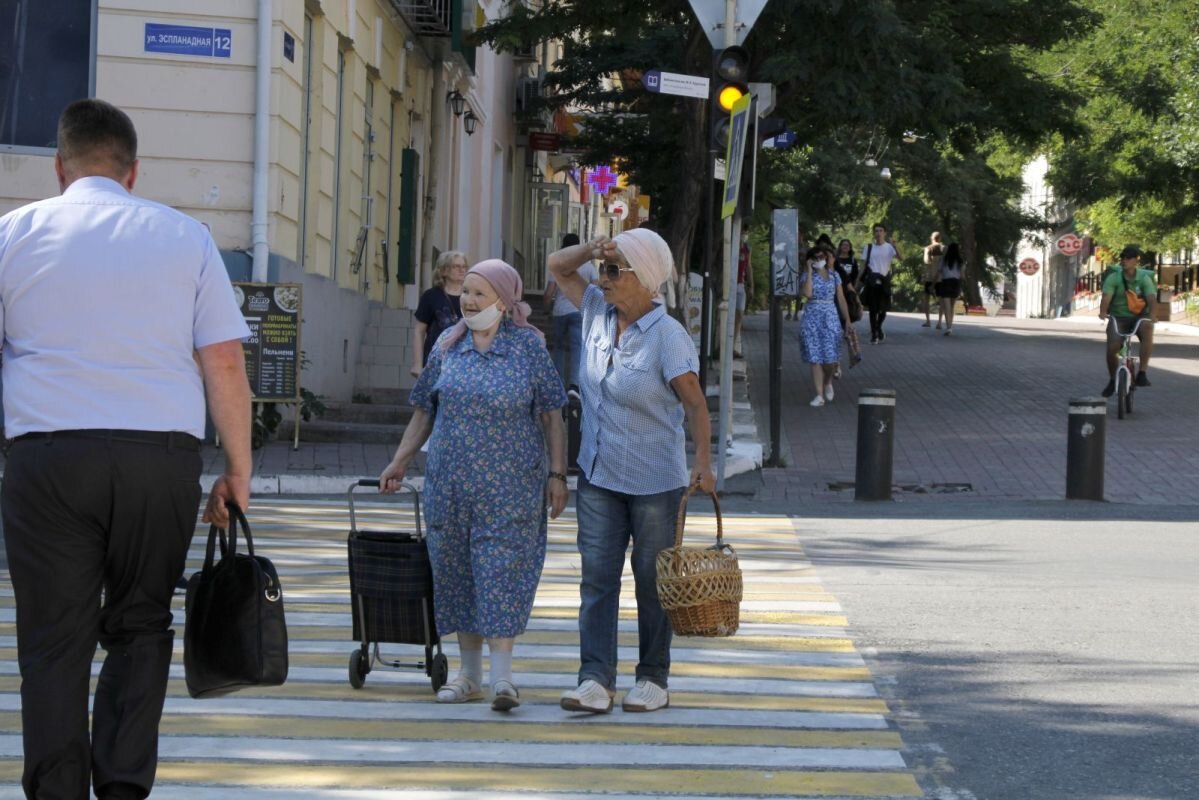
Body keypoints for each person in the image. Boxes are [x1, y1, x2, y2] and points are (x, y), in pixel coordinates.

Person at [0, 98, 252, 800]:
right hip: (157, 461)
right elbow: (224, 362)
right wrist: (237, 468)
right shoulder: (186, 236)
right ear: (133, 172)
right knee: (140, 626)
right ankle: (120, 788)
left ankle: (55, 793)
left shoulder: (12, 233)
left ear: (60, 166)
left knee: (52, 643)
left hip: (46, 459)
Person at [379, 259, 568, 713]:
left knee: (501, 574)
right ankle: (468, 677)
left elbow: (552, 416)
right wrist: (399, 462)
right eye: (465, 291)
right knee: (458, 573)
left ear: (504, 300)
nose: (468, 301)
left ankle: (503, 681)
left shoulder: (527, 348)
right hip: (450, 484)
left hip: (512, 487)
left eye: (479, 294)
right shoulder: (447, 346)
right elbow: (424, 411)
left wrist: (557, 475)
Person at [547, 228, 714, 715]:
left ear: (646, 279)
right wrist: (593, 249)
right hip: (599, 474)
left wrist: (702, 463)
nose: (603, 278)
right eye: (603, 269)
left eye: (614, 270)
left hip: (654, 483)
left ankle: (652, 678)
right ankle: (594, 680)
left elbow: (697, 406)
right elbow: (558, 268)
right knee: (597, 580)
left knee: (650, 580)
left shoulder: (669, 338)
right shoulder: (597, 311)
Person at [1098, 245, 1156, 396]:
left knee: (1147, 328)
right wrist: (1103, 312)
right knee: (1112, 349)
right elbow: (1106, 297)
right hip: (1118, 317)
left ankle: (1142, 373)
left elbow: (1151, 298)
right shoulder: (1114, 278)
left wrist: (1153, 315)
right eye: (1123, 258)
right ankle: (1112, 380)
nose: (1124, 261)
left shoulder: (1143, 278)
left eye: (1128, 258)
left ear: (1136, 260)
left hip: (1139, 317)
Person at [800, 245, 853, 406]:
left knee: (829, 359)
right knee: (814, 357)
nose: (818, 260)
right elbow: (808, 294)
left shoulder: (834, 275)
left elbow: (841, 299)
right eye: (815, 258)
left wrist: (848, 320)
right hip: (812, 316)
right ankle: (819, 394)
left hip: (830, 316)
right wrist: (809, 271)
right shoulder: (805, 276)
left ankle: (828, 381)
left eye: (821, 257)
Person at [544, 233, 598, 388]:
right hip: (580, 311)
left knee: (559, 347)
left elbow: (549, 293)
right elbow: (596, 288)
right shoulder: (589, 267)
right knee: (577, 347)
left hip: (560, 312)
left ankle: (559, 381)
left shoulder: (558, 267)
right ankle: (574, 383)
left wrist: (546, 310)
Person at [411, 250, 467, 377]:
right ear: (443, 271)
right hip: (435, 361)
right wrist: (417, 364)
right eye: (456, 266)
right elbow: (419, 331)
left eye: (464, 266)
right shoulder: (431, 296)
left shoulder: (471, 296)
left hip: (464, 362)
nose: (461, 270)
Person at [857, 223, 901, 344]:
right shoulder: (869, 247)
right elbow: (862, 266)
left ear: (885, 233)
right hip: (871, 280)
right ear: (873, 233)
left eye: (881, 231)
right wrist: (858, 281)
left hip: (884, 280)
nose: (878, 233)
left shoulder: (889, 247)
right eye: (876, 231)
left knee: (883, 309)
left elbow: (901, 258)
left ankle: (878, 327)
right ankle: (874, 334)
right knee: (873, 309)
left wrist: (895, 247)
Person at [734, 229, 753, 358]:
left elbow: (749, 266)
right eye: (743, 232)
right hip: (731, 283)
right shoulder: (732, 246)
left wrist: (752, 285)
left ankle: (734, 342)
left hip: (741, 283)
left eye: (746, 233)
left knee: (740, 313)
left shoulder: (747, 249)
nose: (745, 235)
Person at [938, 243, 964, 335]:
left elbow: (939, 271)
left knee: (946, 307)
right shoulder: (960, 261)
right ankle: (950, 326)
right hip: (956, 283)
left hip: (946, 282)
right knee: (952, 307)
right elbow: (962, 275)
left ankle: (948, 327)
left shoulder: (943, 259)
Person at [922, 232, 945, 329]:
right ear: (940, 238)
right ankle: (939, 322)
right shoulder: (944, 248)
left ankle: (928, 321)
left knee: (926, 299)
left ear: (931, 238)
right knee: (942, 300)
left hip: (929, 277)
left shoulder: (928, 248)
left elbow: (926, 262)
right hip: (941, 277)